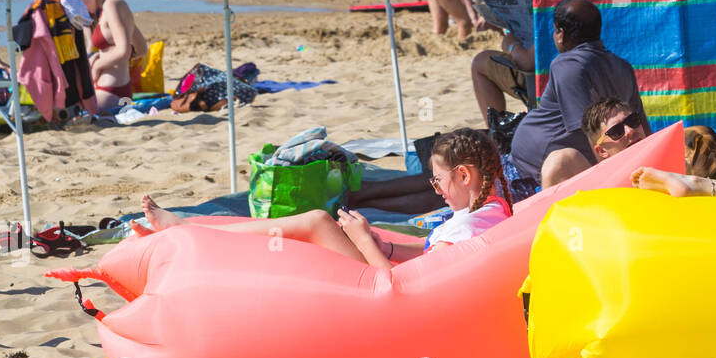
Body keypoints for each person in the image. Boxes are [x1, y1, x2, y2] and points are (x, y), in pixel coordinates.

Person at [134, 129, 512, 269]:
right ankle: (195, 226)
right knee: (319, 226)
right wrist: (387, 246)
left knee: (315, 221)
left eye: (439, 180)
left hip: (389, 290)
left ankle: (191, 228)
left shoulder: (470, 224)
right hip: (393, 269)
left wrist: (365, 241)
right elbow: (435, 258)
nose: (436, 189)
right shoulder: (490, 211)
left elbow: (408, 293)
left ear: (464, 175)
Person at [508, 0, 643, 191]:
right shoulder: (623, 67)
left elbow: (587, 132)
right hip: (551, 170)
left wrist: (611, 184)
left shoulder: (568, 65)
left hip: (534, 175)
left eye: (555, 30)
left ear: (560, 34)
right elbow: (643, 128)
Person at [83, 0, 147, 113]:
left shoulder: (111, 4)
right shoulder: (113, 5)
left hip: (111, 89)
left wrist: (98, 65)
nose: (80, 4)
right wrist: (100, 56)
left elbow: (123, 50)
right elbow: (142, 48)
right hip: (118, 87)